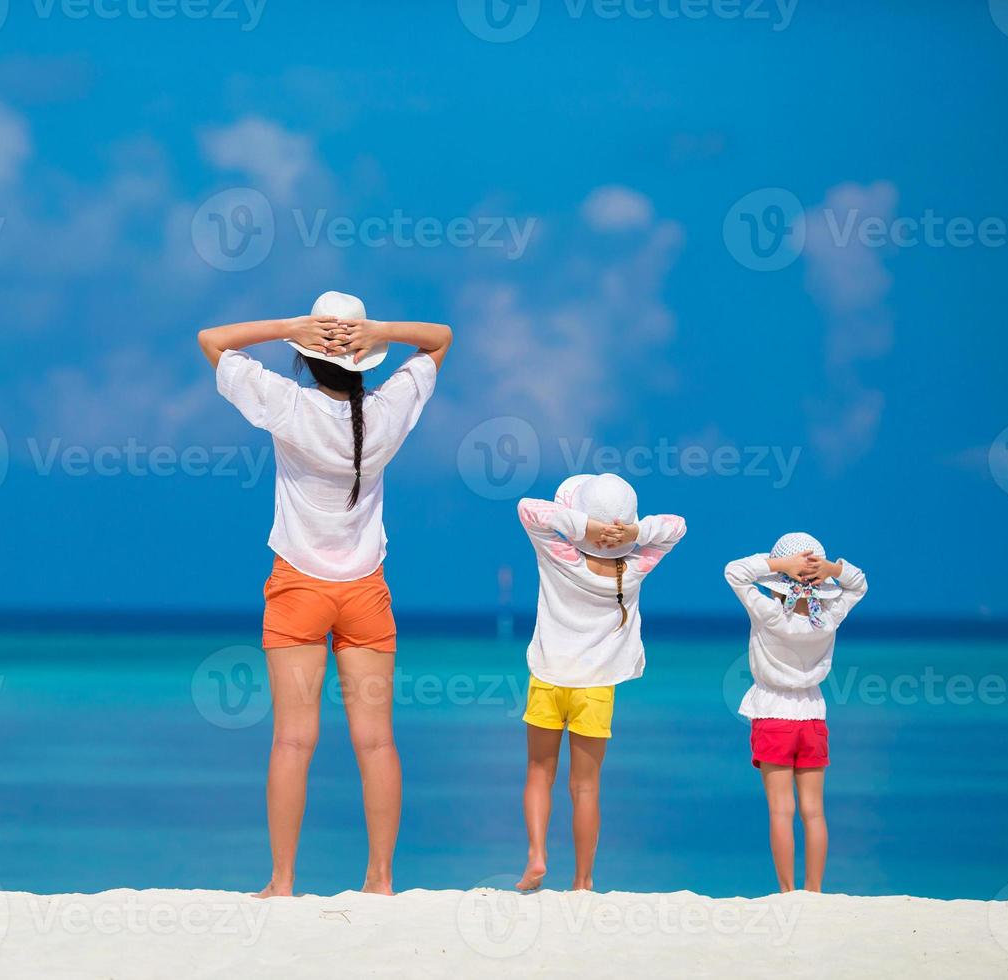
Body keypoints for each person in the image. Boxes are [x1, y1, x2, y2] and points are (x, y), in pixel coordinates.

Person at [197, 290, 451, 897]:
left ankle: (283, 882)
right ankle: (381, 881)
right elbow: (439, 337)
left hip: (297, 590)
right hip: (365, 590)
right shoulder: (389, 411)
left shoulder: (286, 405)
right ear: (369, 357)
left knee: (291, 740)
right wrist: (381, 327)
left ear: (307, 357)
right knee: (377, 741)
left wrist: (290, 324)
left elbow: (212, 340)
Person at [513, 473, 686, 891]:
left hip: (548, 679)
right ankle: (583, 880)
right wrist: (634, 532)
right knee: (586, 787)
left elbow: (528, 508)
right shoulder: (636, 566)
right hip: (595, 689)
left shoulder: (556, 553)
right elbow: (676, 525)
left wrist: (585, 526)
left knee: (539, 772)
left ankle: (537, 855)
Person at [725, 533, 868, 893]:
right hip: (813, 716)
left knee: (780, 811)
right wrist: (831, 568)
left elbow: (735, 572)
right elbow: (859, 585)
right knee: (814, 811)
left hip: (773, 714)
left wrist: (779, 565)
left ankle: (788, 891)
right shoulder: (828, 618)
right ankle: (815, 889)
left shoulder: (770, 612)